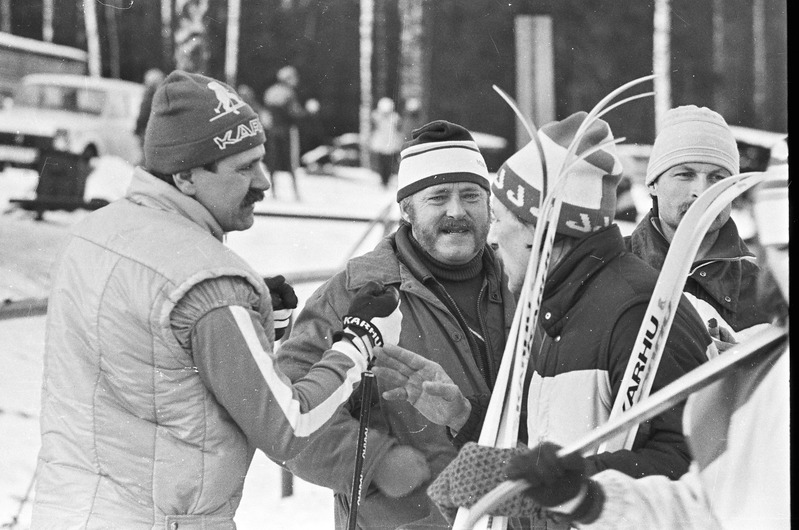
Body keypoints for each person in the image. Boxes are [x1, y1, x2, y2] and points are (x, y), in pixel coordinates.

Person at [31, 70, 403, 528]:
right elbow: (291, 428)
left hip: (68, 510)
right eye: (244, 168)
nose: (263, 182)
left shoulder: (94, 232)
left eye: (261, 162)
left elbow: (143, 358)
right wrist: (359, 342)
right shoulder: (209, 285)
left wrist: (251, 324)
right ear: (186, 176)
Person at [376, 112, 712, 526]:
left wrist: (555, 488)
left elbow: (694, 469)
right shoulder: (555, 306)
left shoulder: (636, 310)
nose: (492, 237)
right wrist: (464, 414)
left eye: (500, 219)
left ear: (540, 233)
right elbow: (551, 444)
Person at [502, 164, 789, 529]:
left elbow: (674, 455)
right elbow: (700, 508)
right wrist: (587, 499)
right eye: (784, 248)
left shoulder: (632, 302)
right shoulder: (767, 375)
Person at [278, 120, 516, 529]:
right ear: (406, 209)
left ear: (489, 205)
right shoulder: (355, 293)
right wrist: (375, 461)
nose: (457, 212)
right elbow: (284, 412)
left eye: (471, 196)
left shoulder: (523, 283)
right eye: (438, 197)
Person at [627, 105, 775, 351]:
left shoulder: (765, 290)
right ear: (652, 183)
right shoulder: (612, 269)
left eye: (718, 178)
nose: (703, 191)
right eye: (685, 175)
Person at [263, 65, 304, 200]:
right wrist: (308, 112)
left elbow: (266, 113)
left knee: (273, 161)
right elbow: (295, 112)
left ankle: (273, 191)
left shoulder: (270, 92)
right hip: (287, 131)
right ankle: (295, 193)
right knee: (291, 162)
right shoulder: (289, 93)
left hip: (272, 130)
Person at [369, 97, 404, 188]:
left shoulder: (395, 118)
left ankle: (386, 180)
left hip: (390, 144)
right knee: (381, 163)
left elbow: (398, 131)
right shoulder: (376, 116)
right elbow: (373, 129)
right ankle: (383, 179)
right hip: (380, 143)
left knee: (388, 163)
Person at [134, 67, 165, 162]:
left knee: (147, 158)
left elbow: (143, 115)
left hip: (147, 132)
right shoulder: (161, 96)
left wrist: (137, 129)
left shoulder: (149, 96)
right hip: (155, 133)